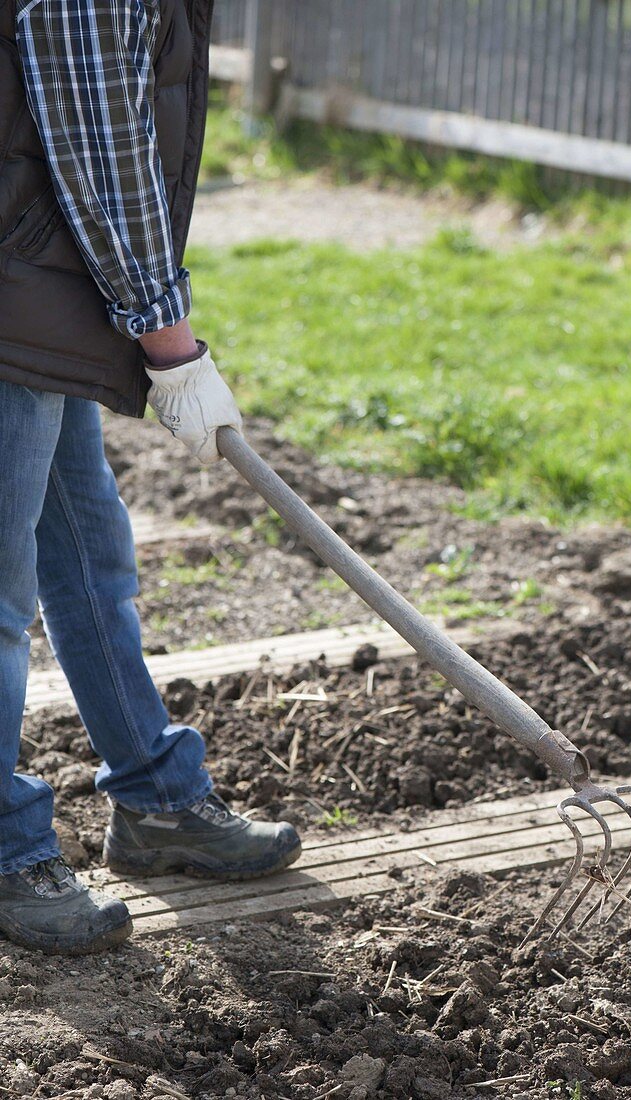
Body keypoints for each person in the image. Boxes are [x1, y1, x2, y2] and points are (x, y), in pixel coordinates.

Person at [0, 0, 302, 955]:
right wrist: (169, 343)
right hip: (19, 288)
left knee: (90, 553)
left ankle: (157, 797)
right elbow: (101, 147)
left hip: (43, 287)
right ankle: (8, 853)